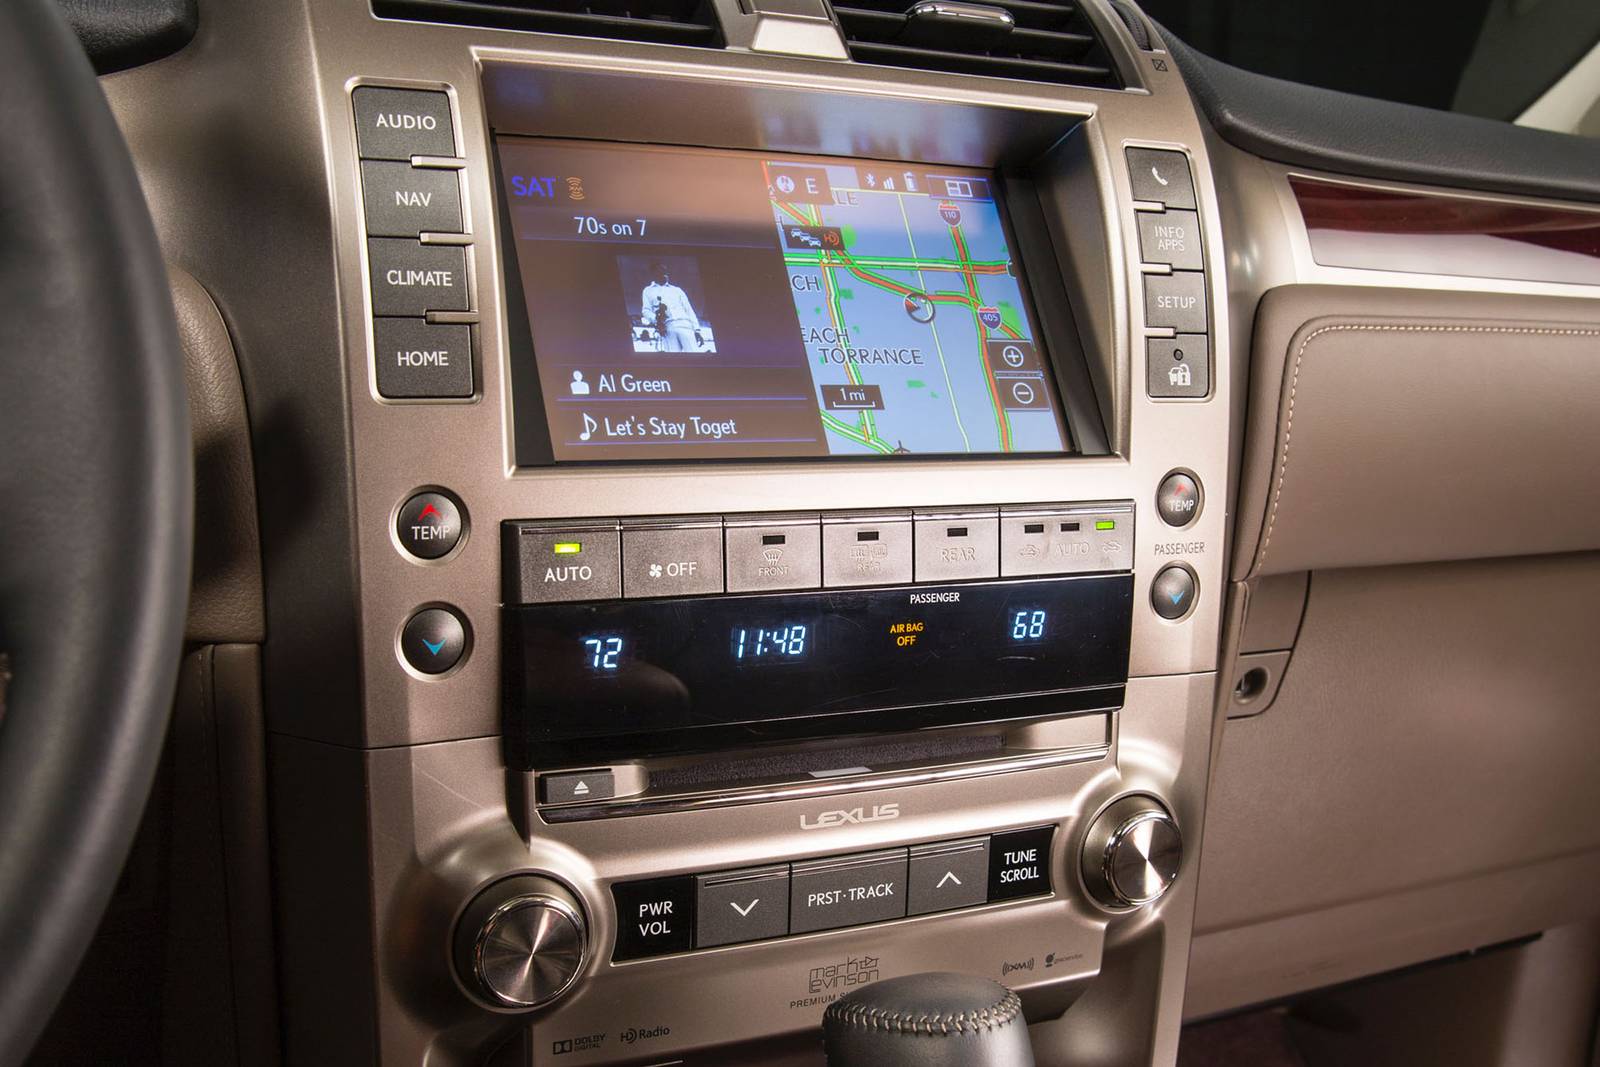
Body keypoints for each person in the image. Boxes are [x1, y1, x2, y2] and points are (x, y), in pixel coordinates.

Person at [640, 262, 704, 352]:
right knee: (674, 360)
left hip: (685, 325)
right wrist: (657, 320)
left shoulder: (677, 290)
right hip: (667, 328)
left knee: (694, 355)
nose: (665, 273)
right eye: (661, 270)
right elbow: (646, 311)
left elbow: (689, 310)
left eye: (666, 271)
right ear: (654, 273)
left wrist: (697, 330)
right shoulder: (648, 291)